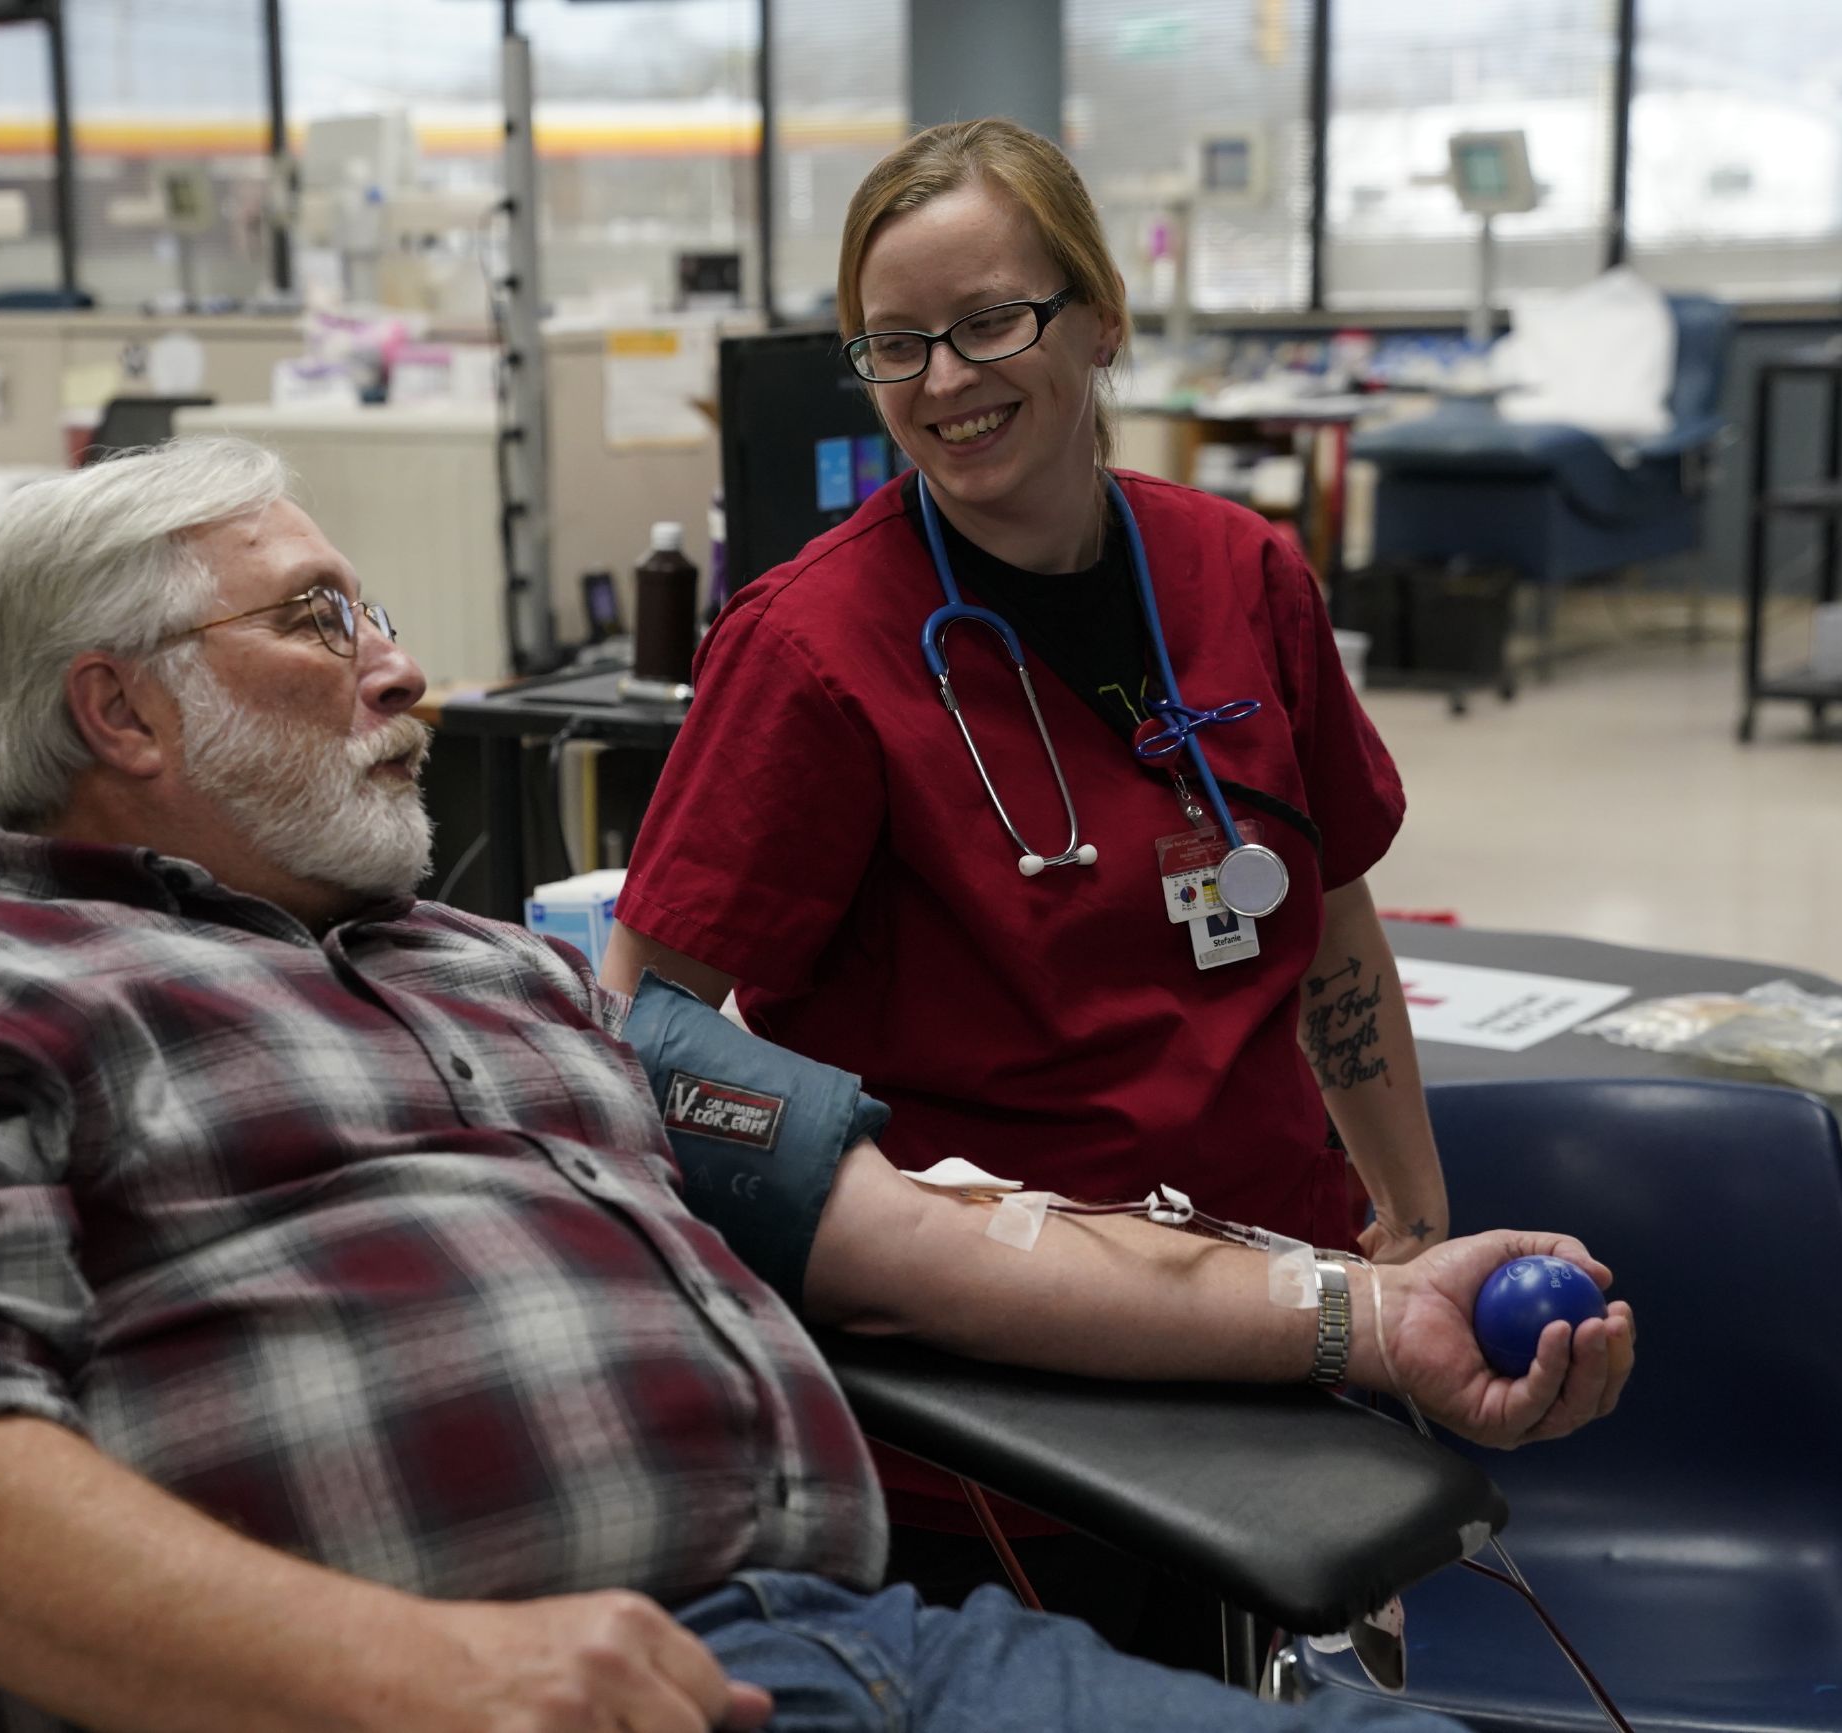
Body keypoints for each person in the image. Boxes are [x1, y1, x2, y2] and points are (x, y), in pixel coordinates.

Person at [0, 437, 1635, 1733]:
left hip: (860, 1654)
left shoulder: (513, 973)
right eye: (318, 619)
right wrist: (441, 1670)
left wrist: (1375, 1310)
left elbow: (918, 1242)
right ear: (115, 704)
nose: (405, 672)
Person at [599, 118, 1455, 1647]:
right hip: (995, 1384)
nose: (942, 383)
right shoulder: (809, 650)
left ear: (1102, 317)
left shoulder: (1242, 577)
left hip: (1279, 1303)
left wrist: (1408, 1217)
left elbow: (1328, 921)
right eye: (894, 344)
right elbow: (645, 1019)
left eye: (989, 321)